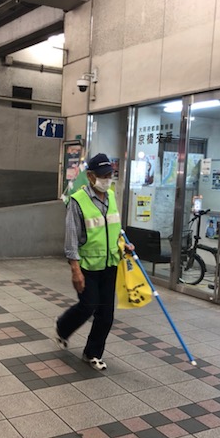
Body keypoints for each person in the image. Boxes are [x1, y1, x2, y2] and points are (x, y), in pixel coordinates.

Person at [55, 153, 132, 371]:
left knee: (106, 314)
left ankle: (92, 352)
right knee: (88, 305)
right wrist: (75, 270)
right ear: (90, 176)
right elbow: (71, 239)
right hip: (87, 265)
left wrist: (123, 245)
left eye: (110, 174)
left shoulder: (112, 197)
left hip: (110, 264)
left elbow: (114, 230)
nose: (107, 179)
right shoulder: (78, 201)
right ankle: (62, 327)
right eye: (103, 175)